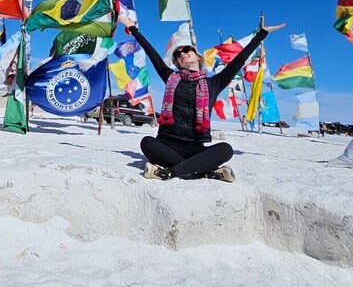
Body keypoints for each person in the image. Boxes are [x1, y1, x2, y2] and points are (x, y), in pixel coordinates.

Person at [119, 15, 284, 183]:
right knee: (147, 142)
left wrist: (261, 34)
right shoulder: (171, 78)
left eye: (186, 51)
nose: (181, 54)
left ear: (198, 57)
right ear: (177, 63)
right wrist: (133, 29)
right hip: (166, 144)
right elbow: (151, 53)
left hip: (194, 147)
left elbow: (239, 60)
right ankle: (203, 171)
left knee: (225, 150)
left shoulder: (213, 83)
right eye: (177, 54)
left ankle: (171, 171)